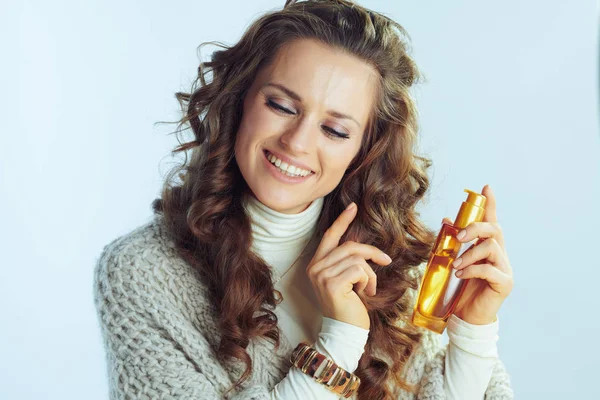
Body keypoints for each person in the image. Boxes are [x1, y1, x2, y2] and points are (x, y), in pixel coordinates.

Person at [93, 0, 514, 399]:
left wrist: (473, 332)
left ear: (365, 150)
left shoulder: (397, 266)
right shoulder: (141, 273)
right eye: (280, 105)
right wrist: (341, 339)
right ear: (239, 100)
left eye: (335, 131)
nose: (296, 142)